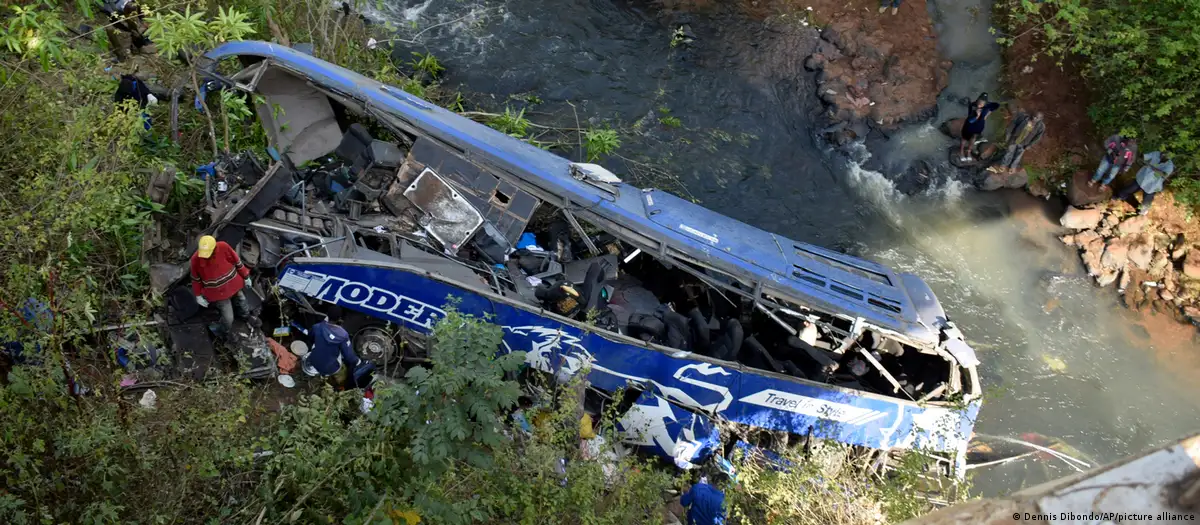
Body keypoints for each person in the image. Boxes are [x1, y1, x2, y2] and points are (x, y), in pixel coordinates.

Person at [191, 235, 254, 335]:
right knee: (228, 318)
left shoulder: (223, 247)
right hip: (218, 293)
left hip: (233, 284)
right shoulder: (195, 260)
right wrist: (198, 295)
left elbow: (237, 261)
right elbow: (196, 279)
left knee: (242, 301)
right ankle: (224, 331)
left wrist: (246, 276)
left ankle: (246, 317)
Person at [305, 306, 362, 387]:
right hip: (331, 368)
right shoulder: (343, 334)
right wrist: (357, 361)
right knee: (345, 370)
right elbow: (349, 358)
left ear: (327, 315)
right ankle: (337, 384)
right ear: (339, 319)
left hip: (313, 361)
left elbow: (310, 339)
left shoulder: (316, 327)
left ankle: (319, 375)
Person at [1114, 151, 1174, 215]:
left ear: (1168, 157)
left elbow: (1164, 175)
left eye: (1164, 156)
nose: (1161, 155)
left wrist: (1153, 168)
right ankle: (1136, 205)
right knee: (1122, 193)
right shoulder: (1156, 153)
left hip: (1152, 186)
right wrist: (1141, 157)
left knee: (1145, 206)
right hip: (1141, 178)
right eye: (1162, 153)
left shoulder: (1169, 165)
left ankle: (1141, 213)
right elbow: (1144, 156)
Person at [960, 93, 1001, 163]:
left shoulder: (987, 106)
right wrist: (977, 116)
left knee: (973, 138)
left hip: (979, 126)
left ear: (985, 103)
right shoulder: (973, 106)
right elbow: (970, 120)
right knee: (965, 138)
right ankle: (961, 152)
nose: (979, 105)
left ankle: (968, 151)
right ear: (977, 100)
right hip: (969, 125)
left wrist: (987, 115)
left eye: (981, 104)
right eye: (978, 102)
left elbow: (996, 105)